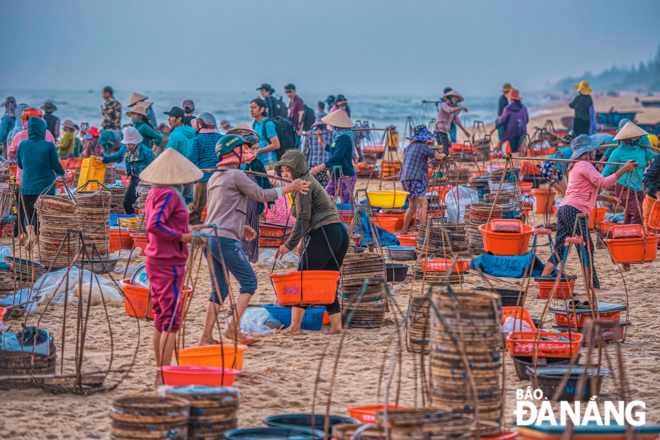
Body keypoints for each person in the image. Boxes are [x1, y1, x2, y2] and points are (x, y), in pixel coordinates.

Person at [198, 134, 310, 345]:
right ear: (234, 153)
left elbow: (220, 211)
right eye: (243, 149)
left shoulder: (215, 177)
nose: (247, 153)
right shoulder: (236, 175)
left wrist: (242, 227)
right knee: (249, 283)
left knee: (220, 290)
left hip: (209, 238)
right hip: (224, 240)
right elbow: (261, 194)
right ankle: (232, 329)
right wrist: (290, 187)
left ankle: (206, 336)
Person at [540, 135, 636, 291]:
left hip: (565, 208)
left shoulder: (576, 166)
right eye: (593, 151)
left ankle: (543, 279)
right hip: (575, 211)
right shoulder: (584, 164)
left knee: (560, 247)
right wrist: (624, 169)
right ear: (586, 152)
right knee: (586, 247)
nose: (595, 154)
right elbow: (603, 182)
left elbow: (583, 191)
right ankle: (592, 286)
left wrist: (606, 197)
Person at [139, 148, 200, 383]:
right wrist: (182, 237)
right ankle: (164, 376)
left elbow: (169, 225)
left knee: (161, 318)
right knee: (171, 321)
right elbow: (154, 226)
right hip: (167, 263)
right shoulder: (170, 195)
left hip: (159, 260)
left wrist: (193, 232)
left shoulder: (155, 192)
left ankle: (160, 374)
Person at [275, 149, 346, 335]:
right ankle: (337, 326)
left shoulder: (302, 185)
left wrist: (289, 244)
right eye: (282, 170)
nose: (284, 174)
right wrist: (301, 241)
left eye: (288, 170)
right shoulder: (305, 181)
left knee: (302, 278)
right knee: (327, 281)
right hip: (338, 233)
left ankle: (295, 327)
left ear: (297, 168)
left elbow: (303, 219)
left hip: (326, 233)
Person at [16, 117, 66, 250]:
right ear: (42, 130)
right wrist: (63, 173)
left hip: (27, 185)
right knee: (42, 213)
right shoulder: (49, 145)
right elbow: (56, 166)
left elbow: (20, 165)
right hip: (46, 187)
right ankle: (39, 238)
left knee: (28, 212)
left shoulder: (22, 145)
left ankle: (30, 235)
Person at [602, 121, 657, 228]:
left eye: (638, 137)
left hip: (639, 189)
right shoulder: (618, 152)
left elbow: (656, 158)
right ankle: (635, 237)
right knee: (637, 213)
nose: (637, 139)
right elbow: (607, 171)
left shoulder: (642, 150)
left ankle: (625, 237)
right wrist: (598, 185)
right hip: (624, 189)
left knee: (630, 215)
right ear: (626, 138)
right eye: (634, 137)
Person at [400, 125, 446, 232]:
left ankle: (404, 230)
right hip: (415, 179)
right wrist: (443, 155)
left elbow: (413, 161)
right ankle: (423, 231)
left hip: (405, 178)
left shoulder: (409, 147)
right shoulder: (423, 147)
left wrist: (425, 163)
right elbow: (438, 157)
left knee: (412, 206)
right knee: (423, 205)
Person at [101, 127, 155, 214]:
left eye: (131, 143)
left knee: (144, 203)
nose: (128, 145)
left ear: (136, 142)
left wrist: (149, 182)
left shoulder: (146, 151)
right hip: (134, 179)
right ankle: (132, 219)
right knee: (127, 203)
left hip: (145, 181)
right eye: (127, 143)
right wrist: (103, 159)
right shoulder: (125, 149)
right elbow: (115, 157)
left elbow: (153, 167)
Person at [310, 110, 356, 204]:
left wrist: (318, 168)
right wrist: (321, 141)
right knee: (325, 198)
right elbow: (331, 150)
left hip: (345, 176)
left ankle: (346, 218)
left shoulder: (344, 138)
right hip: (336, 176)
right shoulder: (337, 137)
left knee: (346, 203)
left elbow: (336, 157)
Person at [188, 112, 222, 225]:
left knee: (196, 211)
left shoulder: (197, 139)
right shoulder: (221, 138)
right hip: (220, 177)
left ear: (200, 123)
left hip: (204, 178)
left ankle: (193, 239)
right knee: (218, 210)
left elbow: (192, 160)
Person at [9, 108, 57, 186]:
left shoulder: (18, 135)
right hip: (43, 178)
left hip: (23, 178)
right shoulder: (48, 134)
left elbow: (10, 155)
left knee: (23, 197)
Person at [163, 106, 197, 204]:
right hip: (191, 171)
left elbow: (168, 155)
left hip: (178, 172)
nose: (168, 119)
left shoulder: (175, 133)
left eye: (171, 117)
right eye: (168, 117)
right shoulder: (191, 132)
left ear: (179, 119)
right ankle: (189, 219)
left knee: (176, 200)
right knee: (189, 199)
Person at [489, 88, 528, 155]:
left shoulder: (507, 109)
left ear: (510, 99)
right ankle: (519, 164)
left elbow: (502, 121)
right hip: (522, 132)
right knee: (520, 151)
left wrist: (494, 128)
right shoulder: (523, 108)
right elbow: (526, 120)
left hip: (512, 133)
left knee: (514, 152)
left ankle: (516, 164)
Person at [435, 90, 470, 155]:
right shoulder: (444, 105)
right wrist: (461, 108)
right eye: (455, 99)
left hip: (445, 131)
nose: (456, 101)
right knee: (443, 149)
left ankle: (443, 163)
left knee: (447, 149)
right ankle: (440, 163)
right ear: (450, 98)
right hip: (439, 130)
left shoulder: (453, 109)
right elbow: (448, 110)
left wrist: (465, 131)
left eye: (457, 100)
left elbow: (457, 121)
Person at [250, 98, 280, 172]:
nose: (251, 110)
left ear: (262, 109)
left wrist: (258, 151)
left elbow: (276, 145)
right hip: (259, 163)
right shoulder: (255, 124)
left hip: (269, 164)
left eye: (254, 108)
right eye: (250, 107)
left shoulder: (268, 124)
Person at [301, 114, 331, 187]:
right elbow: (332, 151)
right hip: (325, 166)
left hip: (312, 166)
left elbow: (303, 151)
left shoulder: (308, 134)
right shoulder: (330, 134)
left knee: (313, 188)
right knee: (324, 189)